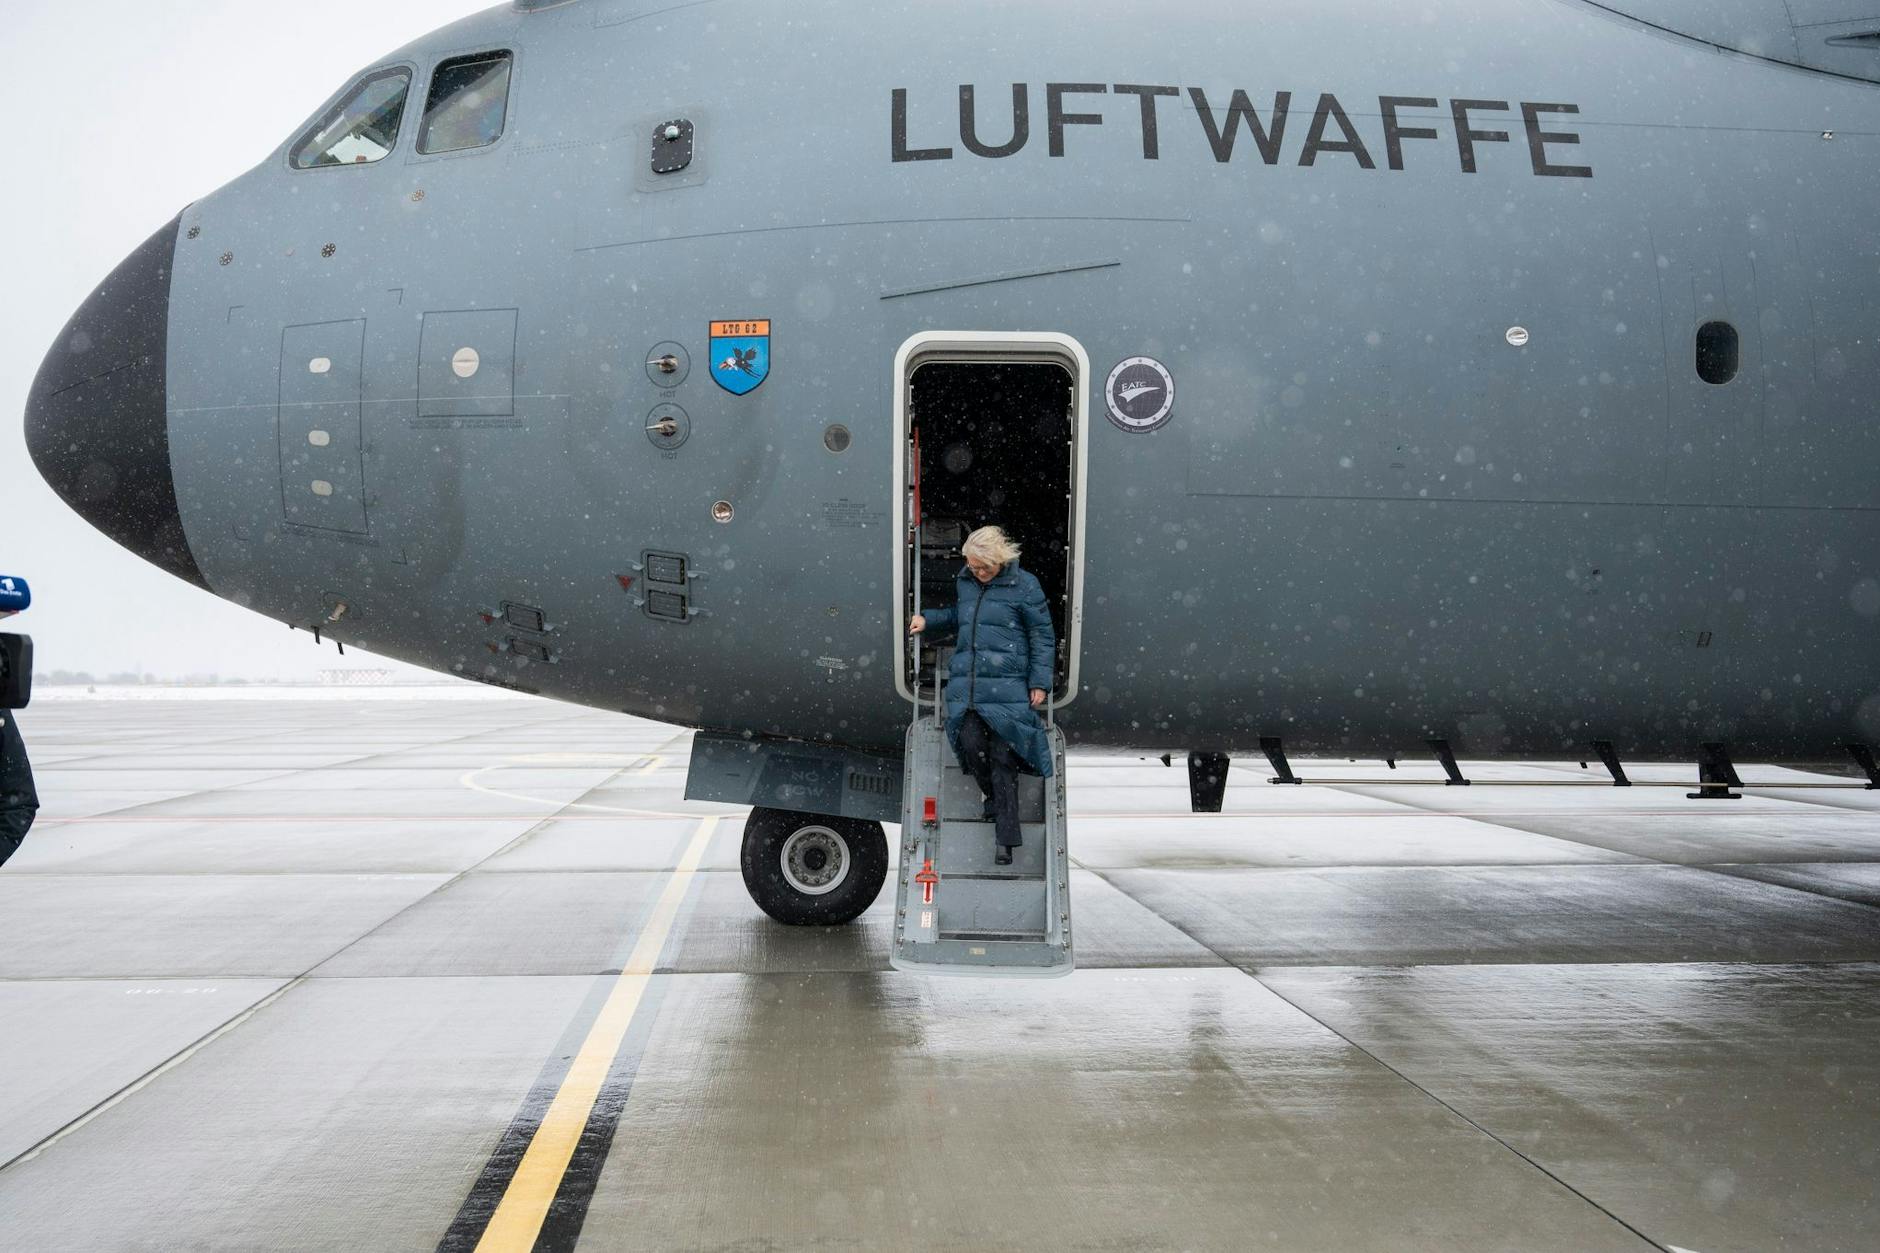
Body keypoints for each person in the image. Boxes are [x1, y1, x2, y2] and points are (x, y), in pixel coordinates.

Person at [908, 525, 1055, 865]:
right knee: (971, 745)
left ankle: (1006, 842)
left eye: (982, 567)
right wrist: (928, 620)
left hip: (1008, 689)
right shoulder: (967, 582)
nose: (976, 572)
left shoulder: (1025, 586)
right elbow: (961, 616)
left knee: (1003, 759)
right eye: (972, 566)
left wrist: (1039, 682)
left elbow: (1042, 636)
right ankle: (993, 799)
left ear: (999, 560)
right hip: (971, 687)